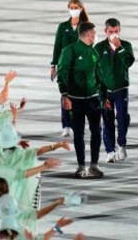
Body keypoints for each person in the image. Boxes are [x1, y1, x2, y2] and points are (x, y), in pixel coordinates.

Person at [57, 22, 107, 178]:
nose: (95, 36)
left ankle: (94, 165)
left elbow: (99, 76)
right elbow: (62, 73)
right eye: (93, 33)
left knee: (96, 132)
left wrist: (104, 96)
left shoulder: (94, 52)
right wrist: (65, 95)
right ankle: (81, 166)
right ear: (88, 34)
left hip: (93, 99)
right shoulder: (70, 51)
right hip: (75, 99)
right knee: (78, 133)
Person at [94, 18, 135, 163]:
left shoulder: (126, 45)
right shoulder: (99, 48)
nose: (113, 34)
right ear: (106, 32)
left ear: (119, 31)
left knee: (123, 118)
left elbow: (129, 62)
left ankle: (121, 144)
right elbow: (95, 71)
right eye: (111, 32)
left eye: (116, 31)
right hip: (105, 91)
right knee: (107, 120)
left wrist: (120, 48)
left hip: (121, 89)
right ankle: (110, 150)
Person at [51, 0, 90, 138]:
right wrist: (53, 65)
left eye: (75, 7)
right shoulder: (63, 27)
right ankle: (66, 125)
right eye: (71, 7)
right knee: (65, 95)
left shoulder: (85, 26)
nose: (73, 10)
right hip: (64, 66)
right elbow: (57, 46)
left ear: (80, 9)